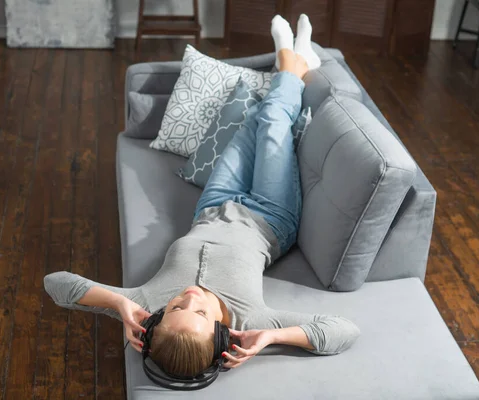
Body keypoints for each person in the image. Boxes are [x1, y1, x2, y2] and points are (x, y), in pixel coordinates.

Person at [43, 14, 359, 379]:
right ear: (223, 334)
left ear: (155, 320)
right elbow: (344, 331)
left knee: (251, 120)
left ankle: (295, 63)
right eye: (200, 314)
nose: (190, 297)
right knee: (272, 122)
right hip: (271, 216)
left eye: (175, 307)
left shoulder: (143, 305)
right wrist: (271, 335)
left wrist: (118, 304)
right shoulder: (249, 319)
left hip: (213, 204)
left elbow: (56, 283)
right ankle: (292, 57)